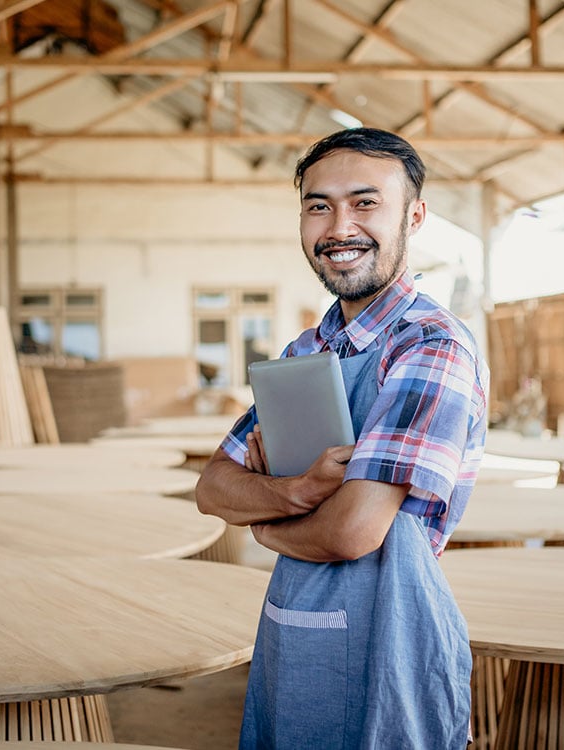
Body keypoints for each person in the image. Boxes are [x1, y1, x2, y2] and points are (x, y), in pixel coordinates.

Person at [196, 127, 489, 749]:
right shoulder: (304, 353)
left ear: (415, 217)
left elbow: (351, 533)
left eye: (365, 202)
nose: (338, 226)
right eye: (318, 206)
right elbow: (213, 487)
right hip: (291, 629)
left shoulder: (429, 346)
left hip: (395, 640)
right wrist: (305, 486)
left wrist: (266, 519)